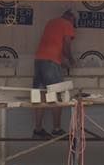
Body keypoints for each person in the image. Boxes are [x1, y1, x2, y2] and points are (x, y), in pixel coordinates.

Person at [33, 9, 77, 138]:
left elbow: (52, 46)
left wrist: (61, 62)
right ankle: (56, 129)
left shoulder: (51, 23)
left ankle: (38, 129)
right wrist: (71, 60)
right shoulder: (67, 24)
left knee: (40, 95)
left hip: (39, 61)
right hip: (51, 63)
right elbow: (66, 46)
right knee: (57, 94)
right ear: (72, 18)